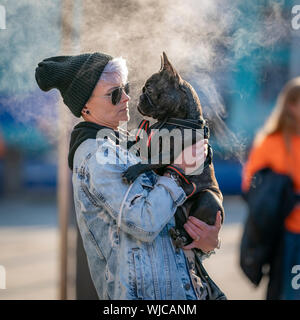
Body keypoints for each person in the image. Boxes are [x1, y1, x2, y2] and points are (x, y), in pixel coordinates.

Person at [35, 52, 222, 300]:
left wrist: (206, 241)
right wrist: (179, 171)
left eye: (125, 88)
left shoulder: (127, 145)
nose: (127, 98)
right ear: (85, 106)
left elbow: (169, 227)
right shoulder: (96, 155)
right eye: (114, 94)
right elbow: (143, 223)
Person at [242, 77, 300, 300]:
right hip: (288, 236)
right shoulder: (270, 142)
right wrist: (282, 196)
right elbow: (251, 188)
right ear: (291, 104)